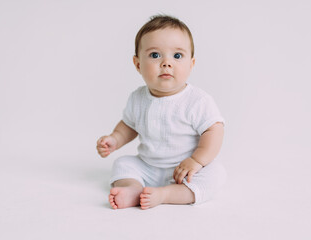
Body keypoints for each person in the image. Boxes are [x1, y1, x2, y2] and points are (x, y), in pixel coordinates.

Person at [96, 15, 227, 210]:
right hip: (147, 167)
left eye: (177, 56)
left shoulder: (197, 101)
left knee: (215, 174)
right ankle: (133, 188)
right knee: (123, 163)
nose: (166, 63)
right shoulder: (138, 98)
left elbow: (214, 130)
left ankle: (165, 194)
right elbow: (129, 125)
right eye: (155, 55)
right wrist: (115, 139)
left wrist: (196, 160)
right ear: (138, 64)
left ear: (191, 64)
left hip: (185, 171)